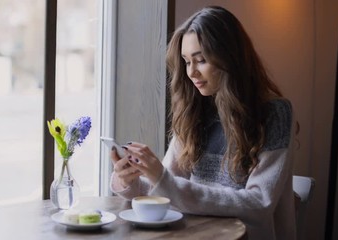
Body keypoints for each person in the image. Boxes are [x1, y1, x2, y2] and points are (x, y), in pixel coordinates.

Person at [109, 5, 296, 240]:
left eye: (201, 60)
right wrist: (130, 180)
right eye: (187, 62)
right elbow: (168, 189)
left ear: (229, 57)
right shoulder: (195, 110)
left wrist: (161, 178)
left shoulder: (274, 113)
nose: (191, 73)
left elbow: (259, 203)